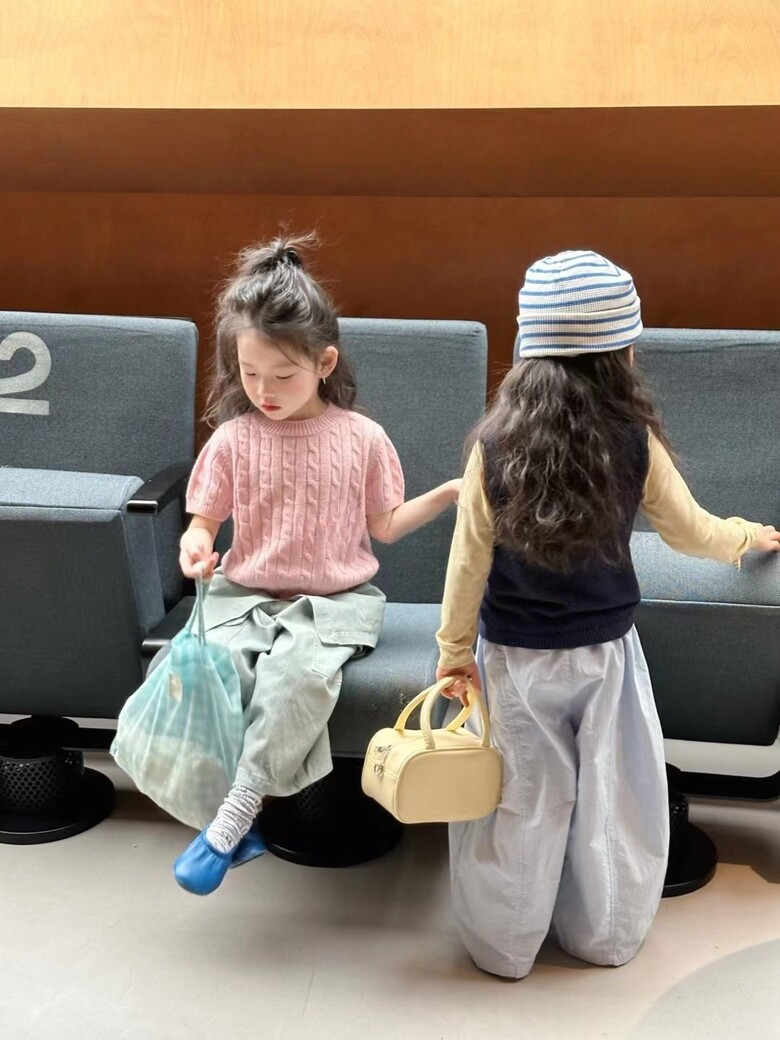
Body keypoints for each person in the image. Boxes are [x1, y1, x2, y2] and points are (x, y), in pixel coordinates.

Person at [435, 249, 780, 978]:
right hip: (606, 656)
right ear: (619, 353)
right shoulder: (631, 441)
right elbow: (690, 530)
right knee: (612, 797)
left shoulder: (494, 446)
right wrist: (746, 537)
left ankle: (504, 946)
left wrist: (453, 652)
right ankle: (605, 937)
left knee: (523, 800)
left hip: (513, 659)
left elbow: (467, 564)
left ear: (529, 353)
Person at [173, 233, 460, 895]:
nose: (264, 391)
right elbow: (203, 522)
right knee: (215, 671)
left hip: (337, 603)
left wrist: (447, 493)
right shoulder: (232, 439)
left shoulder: (363, 439)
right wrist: (195, 544)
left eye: (283, 375)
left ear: (325, 361)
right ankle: (236, 811)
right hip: (244, 595)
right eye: (249, 374)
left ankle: (236, 817)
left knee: (297, 676)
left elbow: (385, 527)